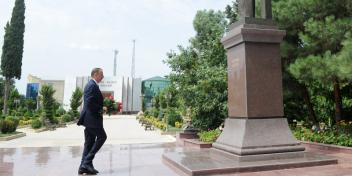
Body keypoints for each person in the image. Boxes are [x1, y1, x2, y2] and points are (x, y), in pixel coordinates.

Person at [77, 68, 107, 175]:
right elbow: (89, 103)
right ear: (95, 74)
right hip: (92, 119)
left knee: (89, 143)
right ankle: (86, 162)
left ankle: (83, 167)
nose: (103, 77)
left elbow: (91, 102)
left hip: (90, 119)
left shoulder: (93, 85)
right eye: (101, 74)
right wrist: (101, 109)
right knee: (102, 137)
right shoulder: (91, 85)